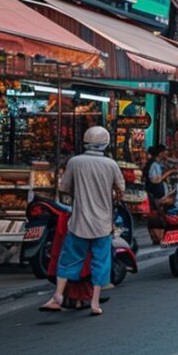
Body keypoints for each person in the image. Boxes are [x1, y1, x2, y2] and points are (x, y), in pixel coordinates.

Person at [40, 126, 124, 316]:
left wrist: (79, 193)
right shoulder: (111, 164)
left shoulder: (75, 162)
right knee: (100, 262)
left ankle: (58, 296)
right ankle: (94, 303)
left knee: (68, 259)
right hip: (102, 223)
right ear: (106, 143)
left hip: (79, 222)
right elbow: (121, 189)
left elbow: (65, 187)